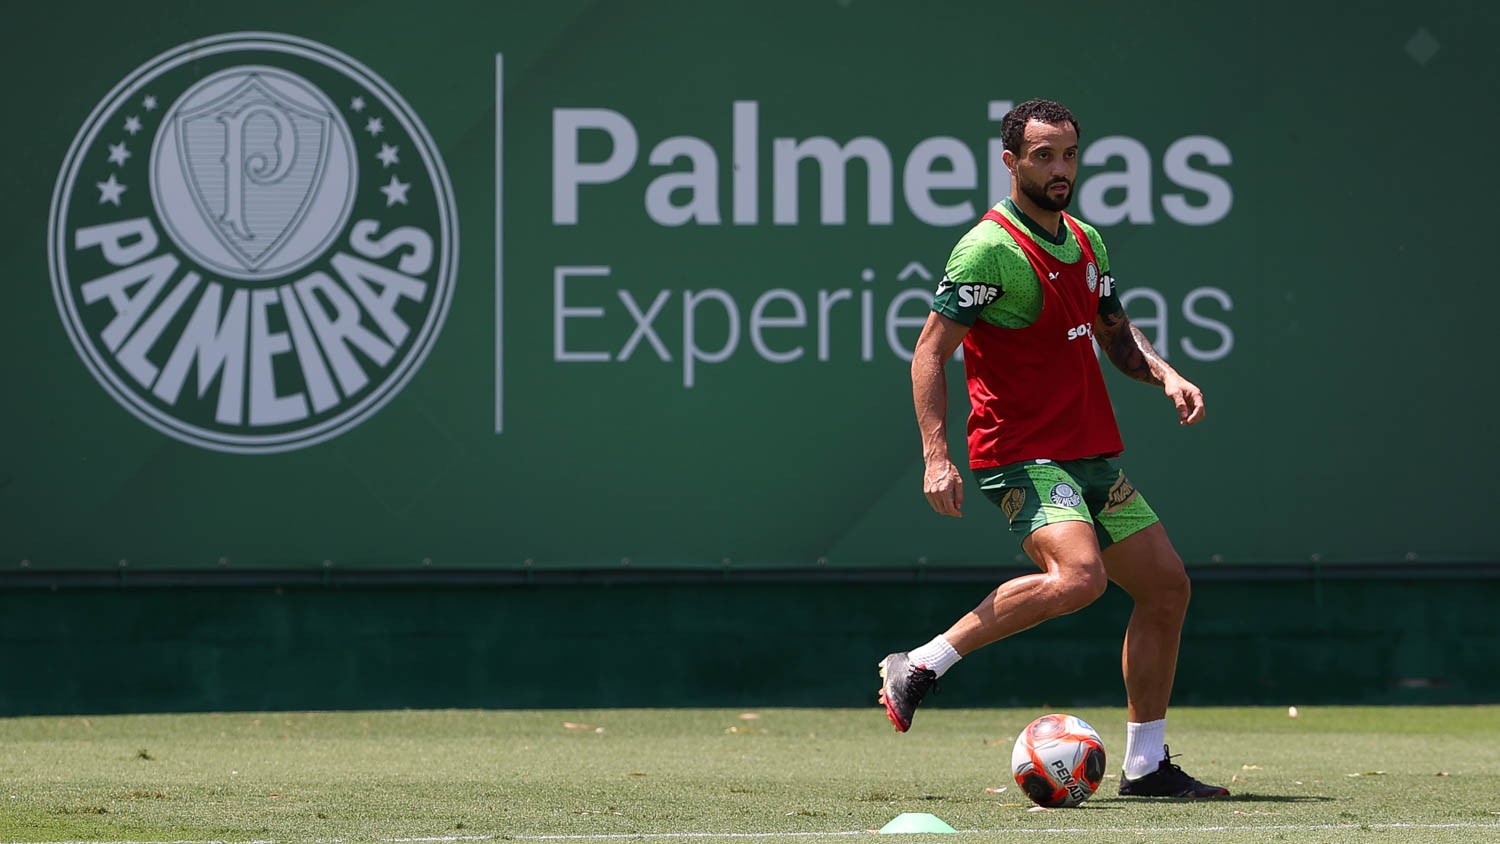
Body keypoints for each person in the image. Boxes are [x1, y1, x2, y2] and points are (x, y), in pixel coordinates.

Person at [877, 98, 1228, 799]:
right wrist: (935, 455)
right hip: (1022, 454)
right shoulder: (989, 248)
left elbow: (1116, 334)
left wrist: (1166, 374)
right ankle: (919, 663)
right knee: (1080, 578)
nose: (1060, 168)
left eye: (1068, 153)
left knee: (1166, 588)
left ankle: (1146, 767)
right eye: (1043, 155)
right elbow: (928, 351)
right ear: (1012, 162)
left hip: (1089, 454)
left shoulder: (1088, 241)